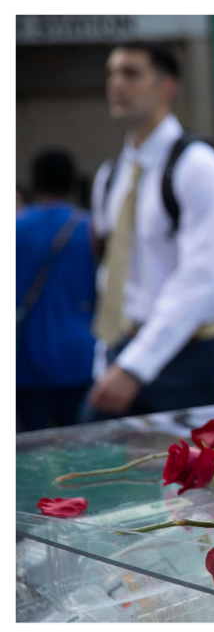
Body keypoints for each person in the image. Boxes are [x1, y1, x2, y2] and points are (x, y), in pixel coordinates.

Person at [86, 43, 214, 419]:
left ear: (166, 86)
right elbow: (112, 274)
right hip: (125, 348)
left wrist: (134, 366)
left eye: (131, 73)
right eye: (112, 73)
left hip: (193, 358)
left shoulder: (198, 166)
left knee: (201, 477)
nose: (116, 84)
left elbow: (202, 276)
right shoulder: (111, 175)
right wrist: (107, 355)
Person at [18, 149, 97, 431]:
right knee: (81, 447)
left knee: (30, 449)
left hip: (26, 354)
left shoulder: (16, 228)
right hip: (80, 351)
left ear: (34, 183)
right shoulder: (91, 228)